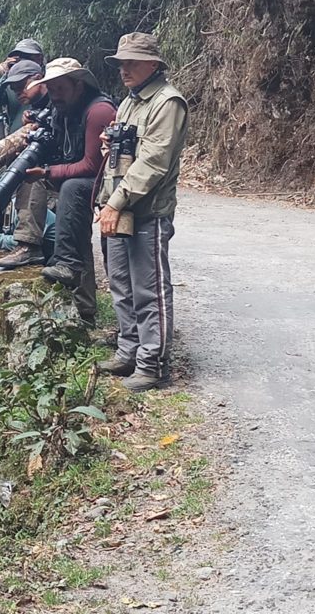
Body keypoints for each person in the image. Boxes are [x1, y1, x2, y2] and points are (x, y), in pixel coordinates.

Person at [95, 32, 189, 392]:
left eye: (132, 62)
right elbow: (126, 155)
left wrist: (116, 202)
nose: (124, 69)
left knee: (150, 290)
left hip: (148, 211)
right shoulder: (129, 103)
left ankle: (153, 366)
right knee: (121, 284)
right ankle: (128, 351)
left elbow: (154, 163)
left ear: (153, 64)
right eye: (121, 62)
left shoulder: (168, 102)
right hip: (119, 207)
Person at [0, 57, 116, 322]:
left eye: (61, 88)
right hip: (78, 181)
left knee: (71, 191)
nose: (55, 95)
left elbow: (93, 166)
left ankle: (61, 260)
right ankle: (84, 308)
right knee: (70, 220)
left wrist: (49, 173)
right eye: (51, 89)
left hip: (108, 183)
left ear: (79, 86)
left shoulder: (98, 111)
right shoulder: (61, 107)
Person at [0, 39, 46, 134]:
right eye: (19, 58)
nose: (23, 61)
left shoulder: (51, 81)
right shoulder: (10, 86)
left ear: (39, 58)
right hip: (16, 142)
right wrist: (7, 75)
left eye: (27, 57)